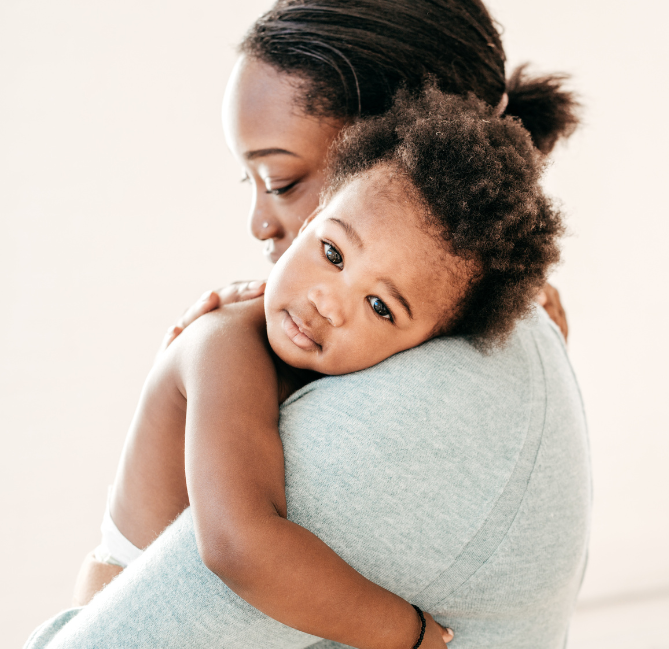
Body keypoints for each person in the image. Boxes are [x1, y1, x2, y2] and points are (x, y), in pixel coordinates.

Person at [25, 2, 589, 647]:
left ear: (391, 151)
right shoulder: (229, 336)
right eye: (258, 180)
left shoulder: (450, 350)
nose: (258, 225)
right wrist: (410, 635)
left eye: (282, 181)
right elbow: (237, 545)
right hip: (113, 591)